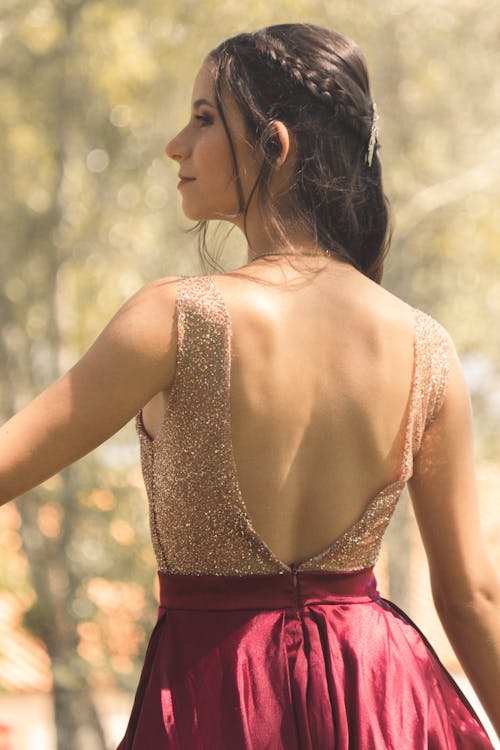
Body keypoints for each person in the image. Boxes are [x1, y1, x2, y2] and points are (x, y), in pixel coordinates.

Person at [0, 22, 499, 749]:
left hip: (220, 699)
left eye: (204, 119)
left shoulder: (178, 318)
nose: (177, 145)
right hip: (382, 703)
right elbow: (473, 599)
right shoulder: (425, 348)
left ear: (276, 145)